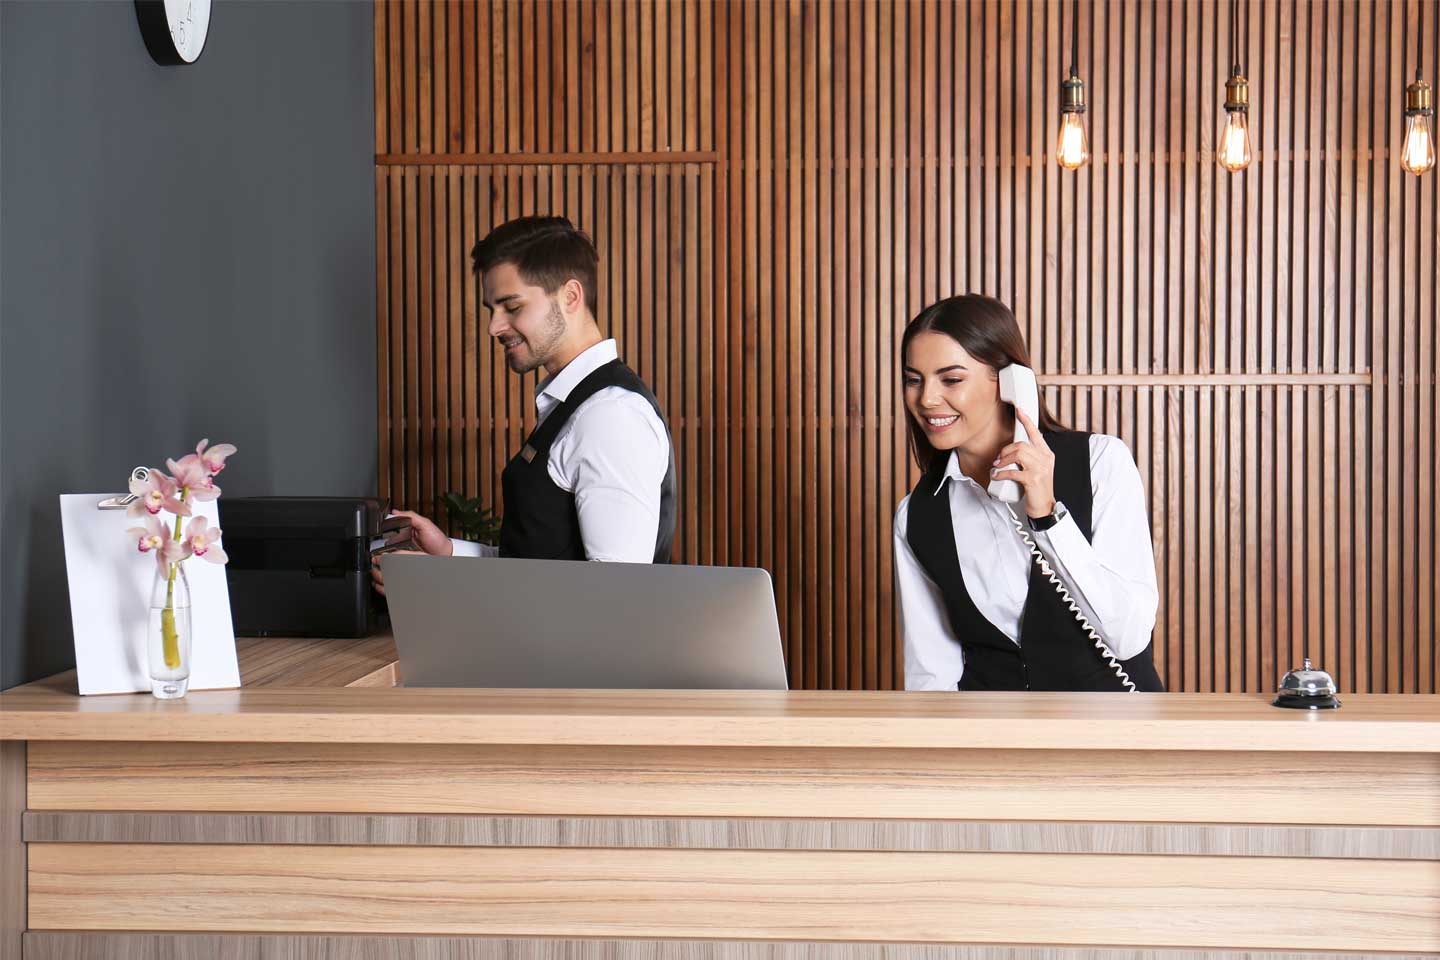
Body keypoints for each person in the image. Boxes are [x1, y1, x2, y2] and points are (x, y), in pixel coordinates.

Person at [372, 216, 675, 595]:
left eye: (512, 307)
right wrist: (448, 556)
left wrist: (442, 586)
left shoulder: (609, 416)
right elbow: (542, 565)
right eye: (491, 310)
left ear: (570, 297)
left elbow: (614, 597)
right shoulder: (578, 407)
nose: (494, 327)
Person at [894, 294, 1164, 692]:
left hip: (1116, 735)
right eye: (913, 380)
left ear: (1008, 382)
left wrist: (1047, 518)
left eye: (951, 379)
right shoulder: (917, 516)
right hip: (994, 746)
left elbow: (1128, 636)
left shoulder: (1100, 462)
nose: (927, 398)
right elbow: (930, 675)